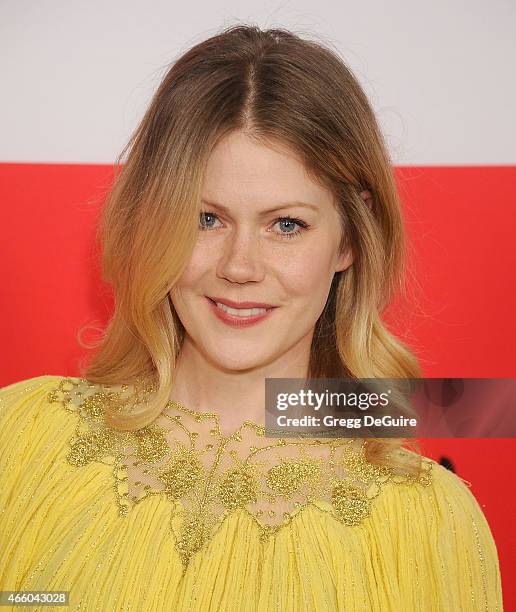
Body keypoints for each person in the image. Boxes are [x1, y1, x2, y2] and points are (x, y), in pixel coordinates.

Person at [0, 24, 503, 611]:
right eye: (205, 219)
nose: (240, 267)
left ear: (349, 241)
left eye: (286, 225)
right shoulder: (22, 442)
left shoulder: (424, 523)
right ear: (152, 221)